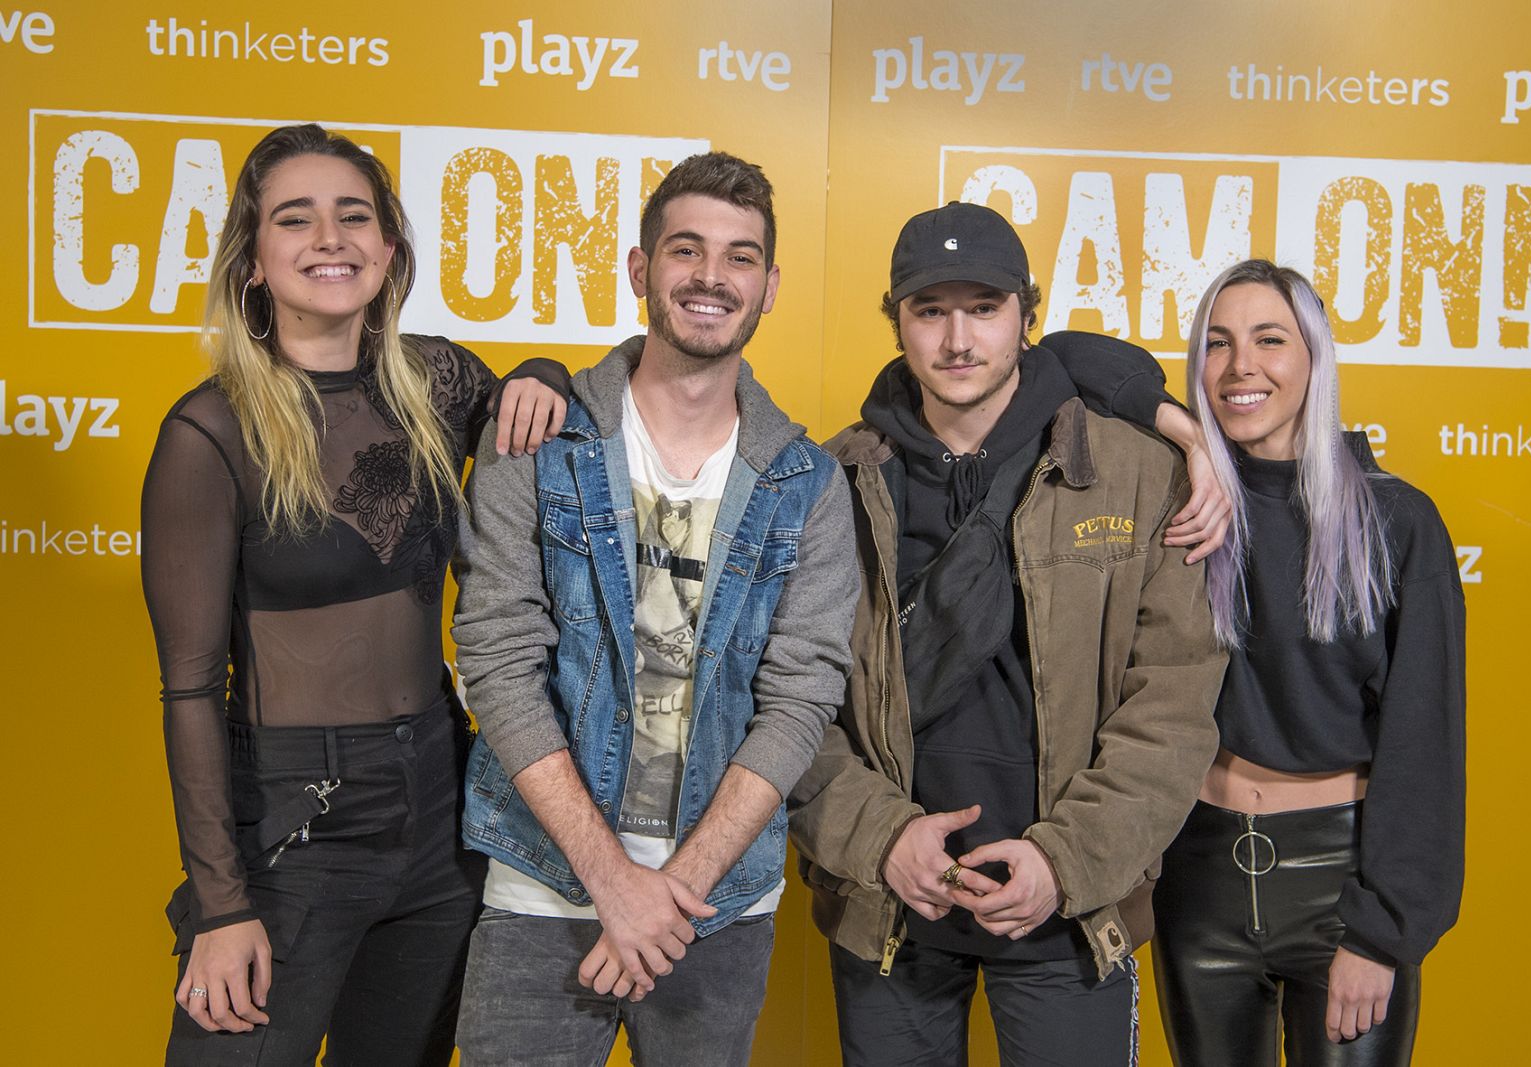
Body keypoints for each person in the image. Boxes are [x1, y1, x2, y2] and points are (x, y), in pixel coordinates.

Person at [142, 122, 566, 1065]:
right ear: (253, 260)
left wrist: (544, 373)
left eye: (353, 216)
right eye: (295, 219)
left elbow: (526, 403)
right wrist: (220, 903)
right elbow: (189, 689)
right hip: (295, 824)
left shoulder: (436, 380)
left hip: (442, 811)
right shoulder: (210, 432)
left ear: (389, 246)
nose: (329, 238)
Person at [784, 201, 1228, 1066]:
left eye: (983, 308)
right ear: (896, 320)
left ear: (1028, 313)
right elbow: (792, 701)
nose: (958, 340)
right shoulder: (828, 484)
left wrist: (1065, 860)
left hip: (1072, 908)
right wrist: (881, 838)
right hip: (891, 908)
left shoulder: (1140, 473)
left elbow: (1172, 707)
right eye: (930, 310)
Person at [448, 151, 857, 1066]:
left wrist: (672, 892)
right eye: (686, 249)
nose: (712, 276)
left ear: (770, 286)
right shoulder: (535, 440)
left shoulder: (809, 485)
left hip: (717, 903)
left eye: (740, 256)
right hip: (543, 884)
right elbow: (499, 663)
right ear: (641, 269)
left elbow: (800, 700)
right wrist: (613, 883)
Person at [1142, 259, 1466, 1065]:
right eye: (1217, 343)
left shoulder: (1396, 520)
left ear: (1315, 357)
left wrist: (1382, 931)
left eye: (1269, 340)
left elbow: (1424, 743)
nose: (1240, 366)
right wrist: (1190, 438)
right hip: (1199, 877)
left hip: (1341, 885)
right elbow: (1062, 362)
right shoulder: (1184, 506)